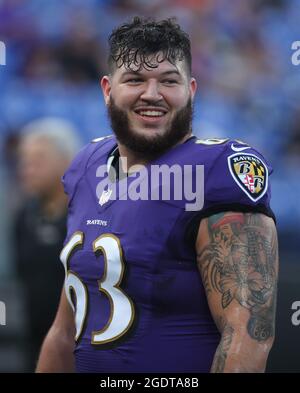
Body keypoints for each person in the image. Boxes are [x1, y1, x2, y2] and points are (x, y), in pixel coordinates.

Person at [36, 17, 278, 373]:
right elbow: (65, 329)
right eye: (135, 80)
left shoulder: (215, 170)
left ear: (191, 90)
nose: (152, 94)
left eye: (169, 81)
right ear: (107, 89)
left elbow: (248, 334)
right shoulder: (87, 166)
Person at [14, 118, 80, 371]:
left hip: (78, 344)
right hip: (31, 343)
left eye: (37, 160)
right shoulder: (23, 218)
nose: (26, 169)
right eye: (24, 161)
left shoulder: (87, 219)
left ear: (66, 161)